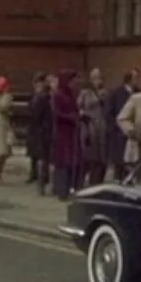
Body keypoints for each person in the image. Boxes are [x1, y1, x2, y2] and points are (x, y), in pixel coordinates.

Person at [51, 70, 82, 201]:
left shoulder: (71, 95)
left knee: (72, 161)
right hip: (63, 134)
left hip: (72, 133)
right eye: (73, 81)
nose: (75, 83)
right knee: (64, 162)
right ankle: (61, 190)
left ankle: (70, 187)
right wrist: (72, 117)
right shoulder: (58, 95)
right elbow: (57, 114)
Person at [78, 69, 109, 187]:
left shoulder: (105, 93)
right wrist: (84, 116)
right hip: (89, 128)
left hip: (102, 127)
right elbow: (78, 108)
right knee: (90, 157)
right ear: (91, 80)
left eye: (100, 78)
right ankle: (83, 182)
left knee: (102, 159)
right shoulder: (85, 93)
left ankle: (97, 182)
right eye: (95, 78)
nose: (98, 81)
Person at [105, 71, 136, 181]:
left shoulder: (138, 93)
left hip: (133, 134)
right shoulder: (116, 93)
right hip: (119, 134)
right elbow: (109, 113)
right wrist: (116, 127)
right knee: (120, 163)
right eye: (136, 77)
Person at [25, 73, 53, 193]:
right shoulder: (37, 96)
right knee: (36, 154)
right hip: (36, 128)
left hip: (41, 128)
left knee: (42, 155)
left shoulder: (44, 96)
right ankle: (36, 175)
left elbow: (36, 112)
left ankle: (42, 178)